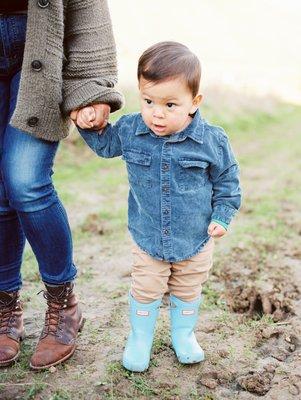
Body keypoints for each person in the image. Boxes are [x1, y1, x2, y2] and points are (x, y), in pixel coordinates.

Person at [77, 41, 241, 372]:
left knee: (188, 286)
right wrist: (89, 123)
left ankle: (184, 335)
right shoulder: (133, 130)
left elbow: (228, 183)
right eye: (148, 101)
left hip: (195, 238)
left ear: (194, 103)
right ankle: (140, 339)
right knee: (146, 287)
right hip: (148, 236)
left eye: (170, 104)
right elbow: (107, 144)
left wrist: (222, 217)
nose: (157, 112)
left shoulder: (212, 141)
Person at [0, 0, 123, 370]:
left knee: (25, 180)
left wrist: (93, 85)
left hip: (38, 48)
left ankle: (63, 303)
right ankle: (6, 305)